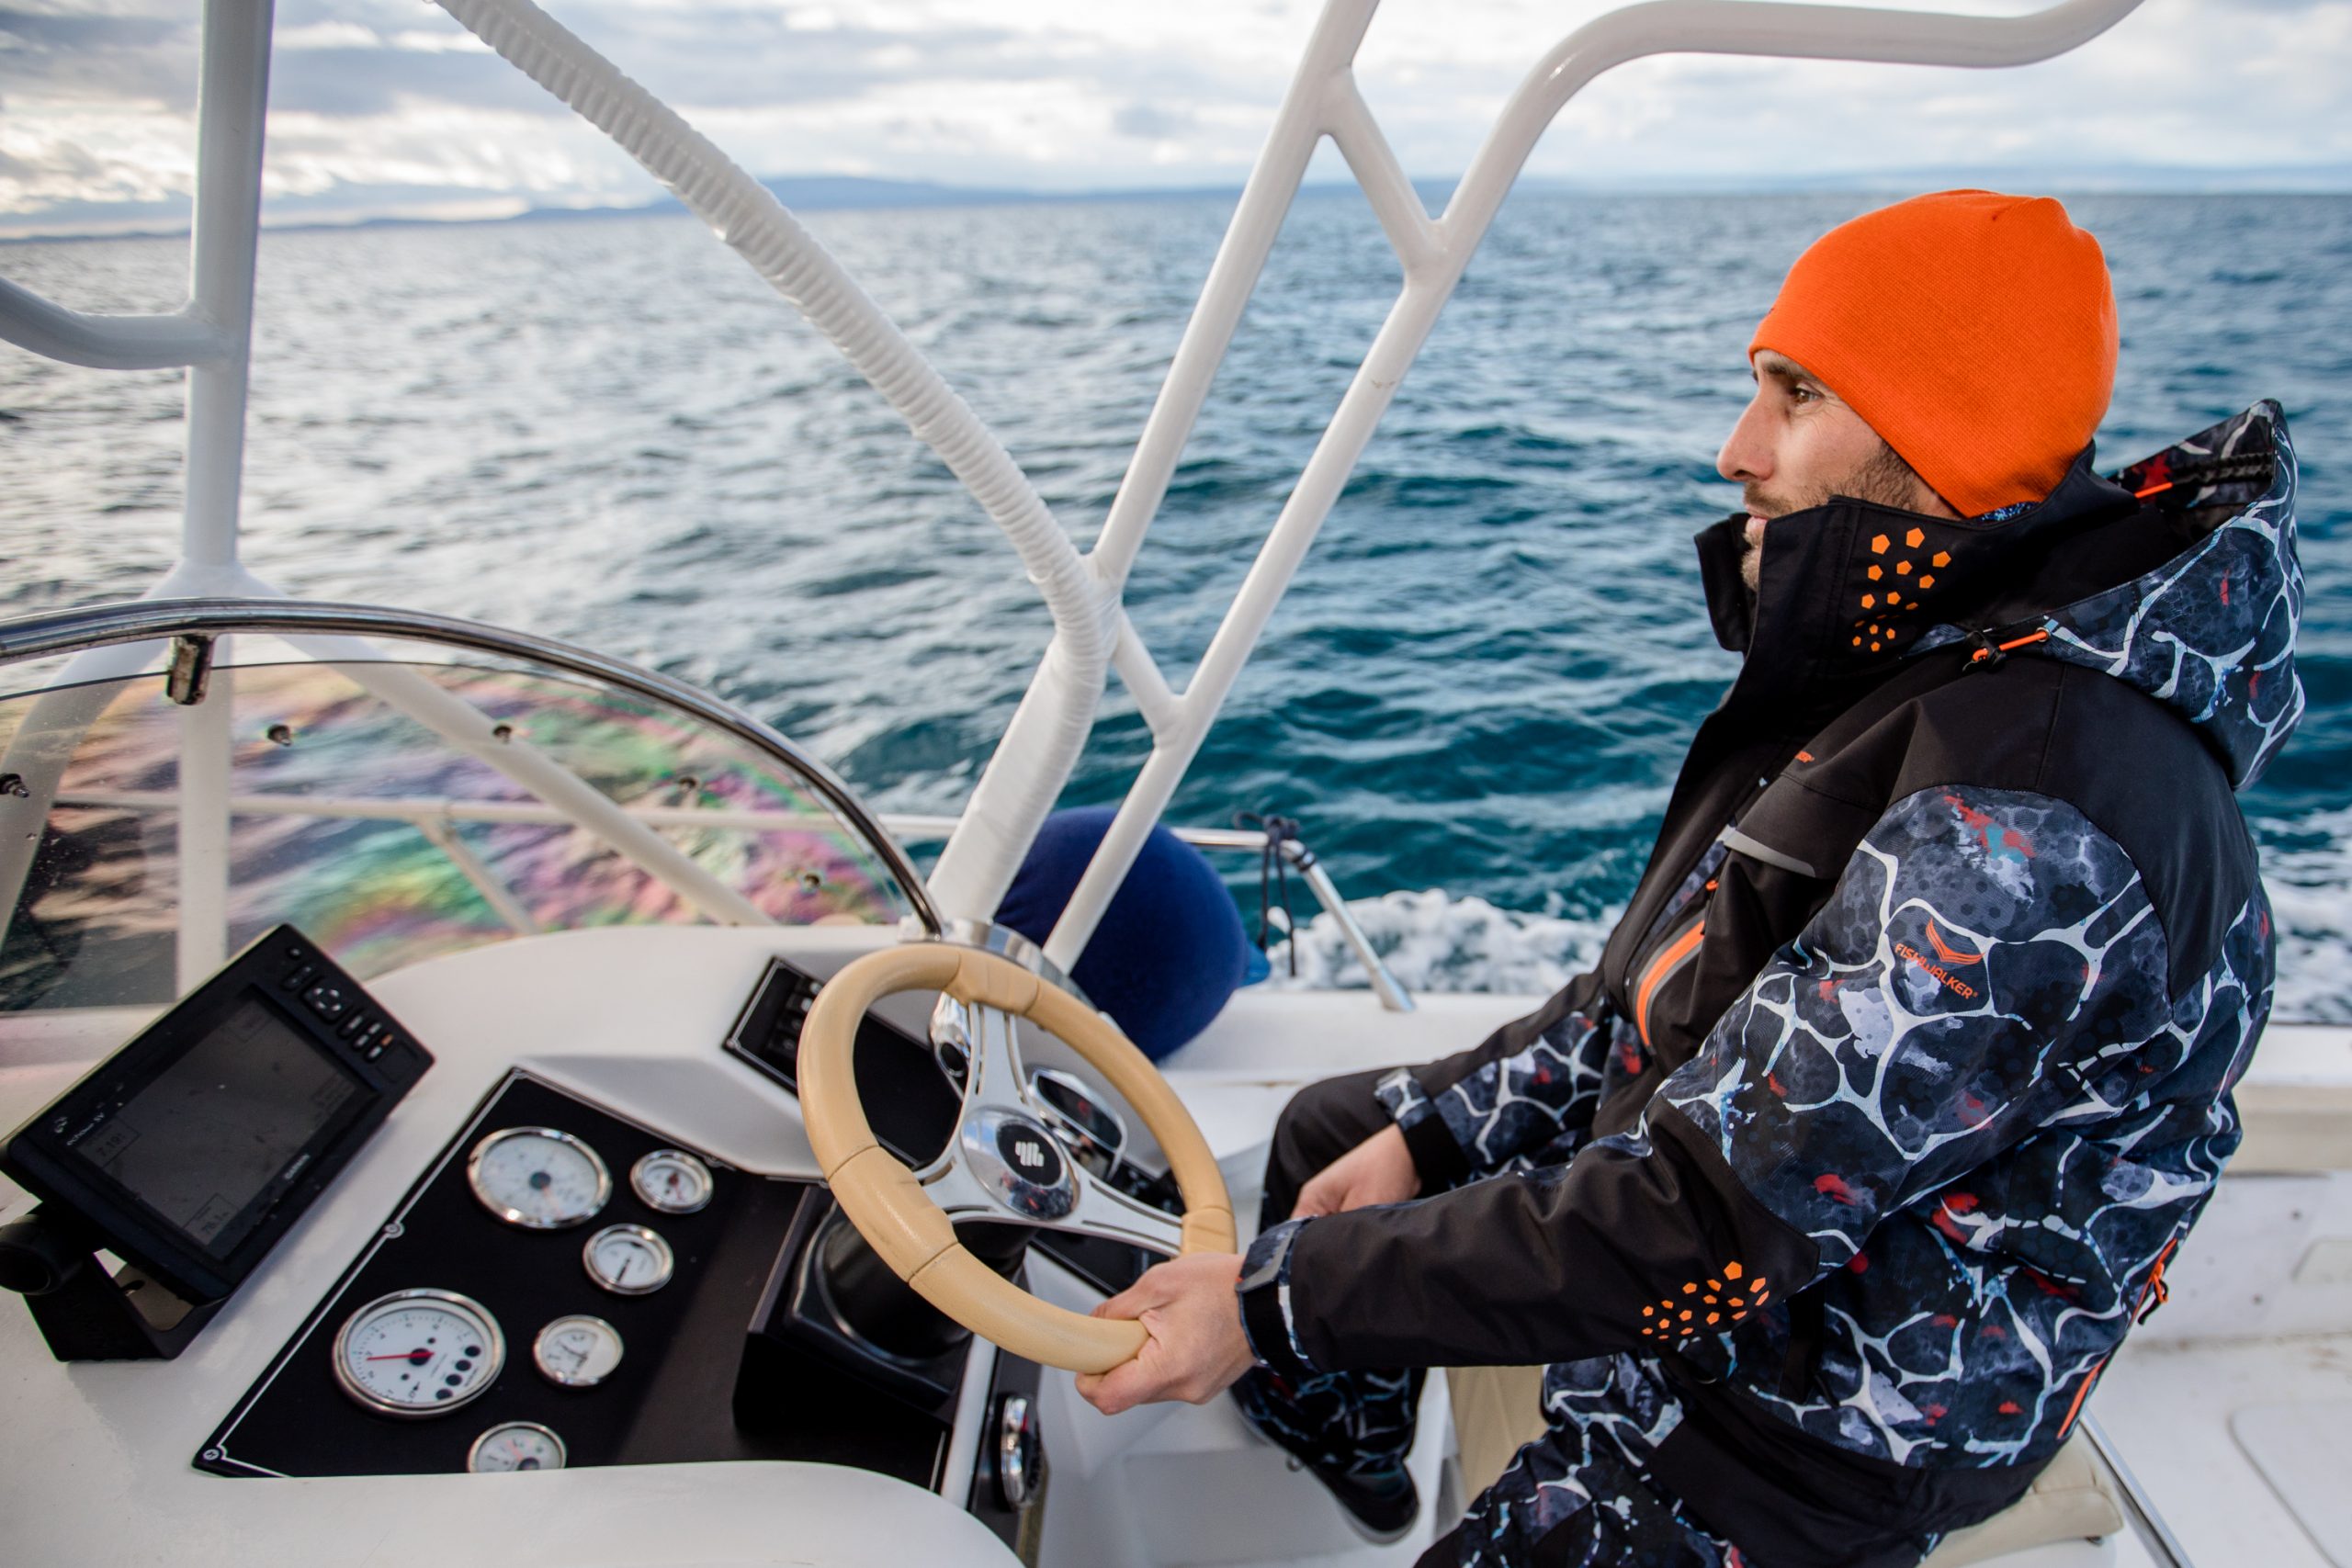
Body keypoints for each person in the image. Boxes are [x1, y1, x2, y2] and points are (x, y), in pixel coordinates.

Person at [1070, 190, 2305, 1568]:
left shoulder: (2026, 827)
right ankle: (1358, 1455)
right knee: (1330, 1135)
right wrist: (1433, 1138)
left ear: (1945, 432)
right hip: (1738, 1273)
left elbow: (1712, 1220)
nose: (1737, 451)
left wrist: (1276, 1304)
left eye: (1796, 394)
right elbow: (1651, 995)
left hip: (1815, 1433)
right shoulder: (1928, 664)